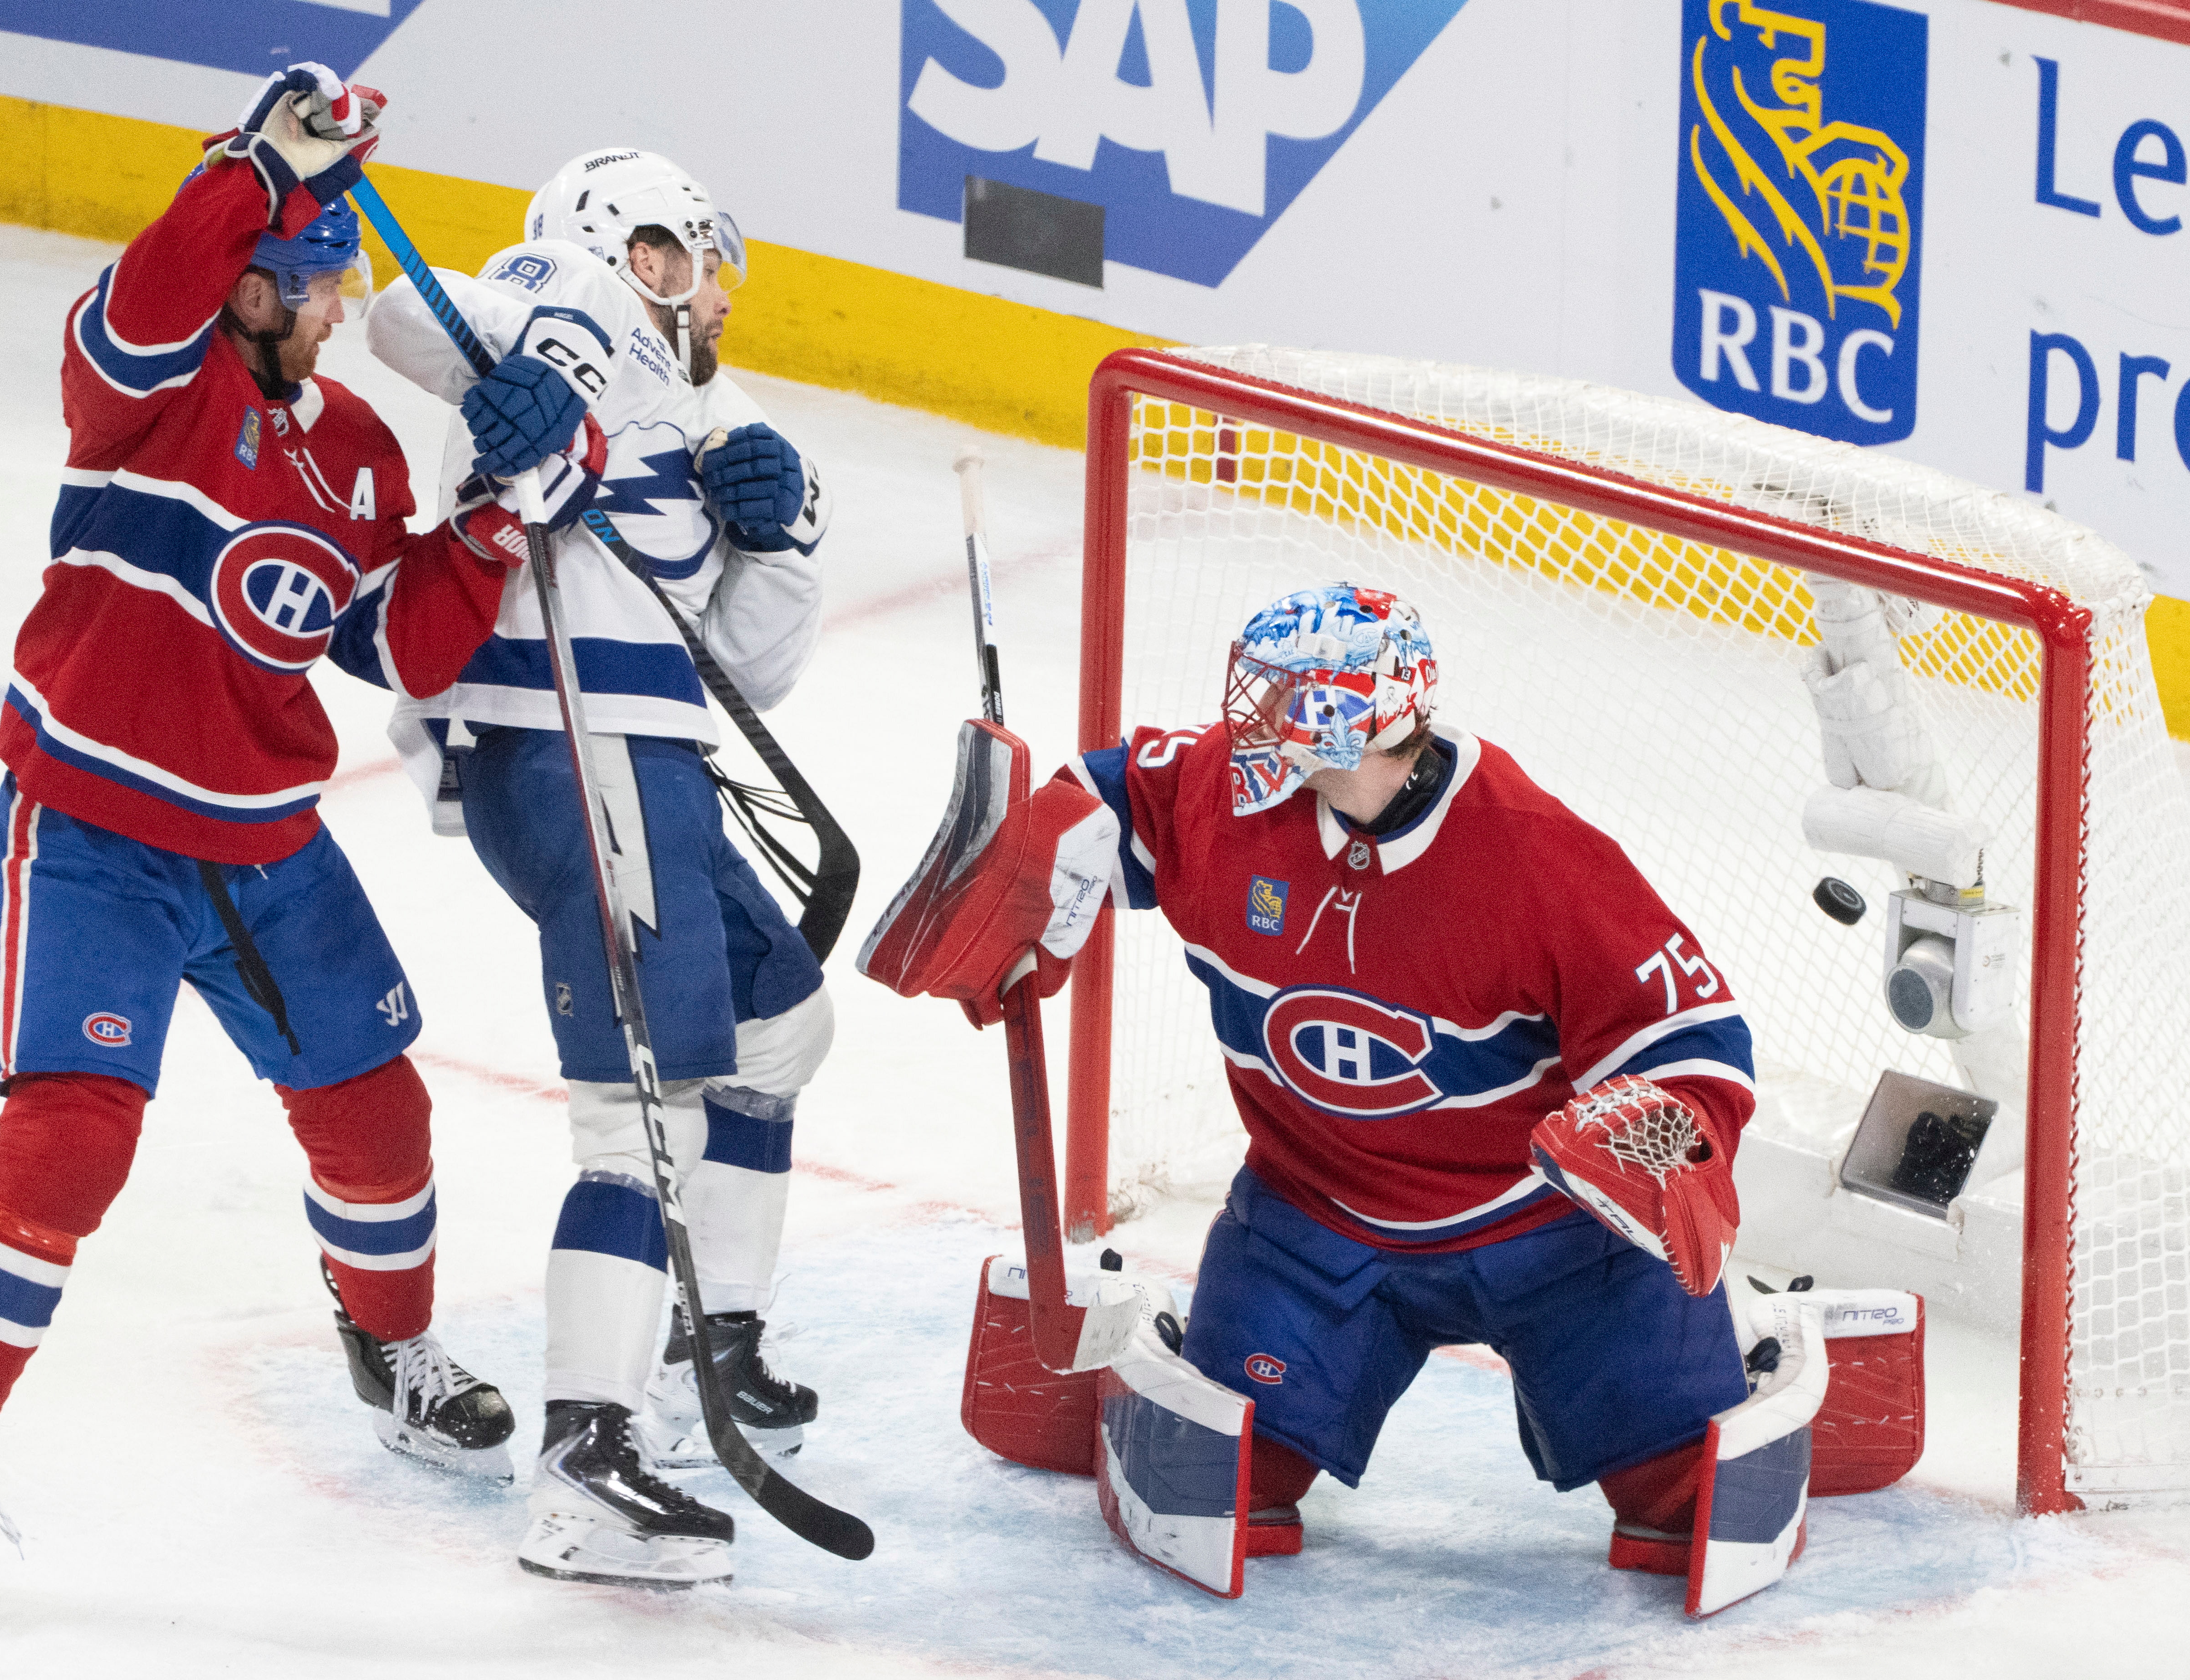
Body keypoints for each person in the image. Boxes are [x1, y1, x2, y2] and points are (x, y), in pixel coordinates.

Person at [0, 63, 578, 1618]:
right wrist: (257, 163)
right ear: (250, 288)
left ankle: (390, 1351)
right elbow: (144, 297)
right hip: (91, 834)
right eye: (317, 283)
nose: (338, 306)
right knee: (68, 1147)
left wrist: (498, 511)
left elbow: (406, 651)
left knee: (377, 1117)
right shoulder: (145, 393)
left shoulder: (360, 451)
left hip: (263, 847)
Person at [872, 582, 1760, 1577]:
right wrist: (1022, 887)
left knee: (1684, 1505)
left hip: (1545, 1238)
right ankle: (1201, 1347)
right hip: (1316, 1223)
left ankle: (1741, 1343)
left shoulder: (1534, 857)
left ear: (1357, 714)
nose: (1248, 719)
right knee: (1228, 1483)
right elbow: (1106, 799)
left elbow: (1690, 1037)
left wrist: (1667, 1130)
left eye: (1282, 697)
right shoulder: (1228, 792)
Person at [352, 147, 836, 1588]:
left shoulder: (721, 412)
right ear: (617, 249)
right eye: (678, 253)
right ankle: (587, 1466)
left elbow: (751, 664)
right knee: (642, 1116)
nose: (707, 287)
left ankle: (711, 1338)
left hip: (655, 762)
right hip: (568, 750)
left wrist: (780, 538)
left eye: (708, 259)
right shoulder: (558, 293)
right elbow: (403, 316)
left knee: (781, 1024)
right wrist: (535, 379)